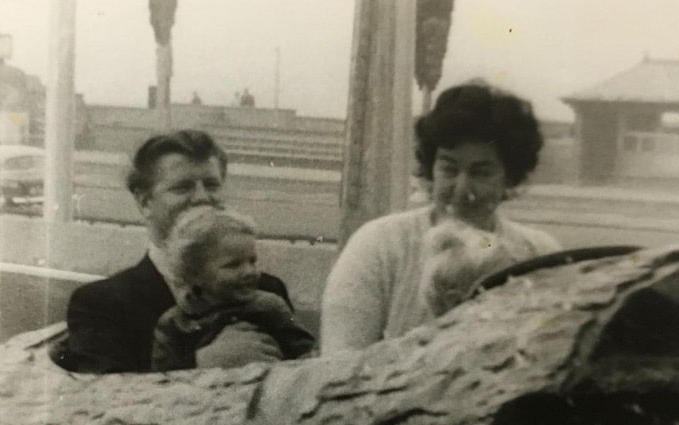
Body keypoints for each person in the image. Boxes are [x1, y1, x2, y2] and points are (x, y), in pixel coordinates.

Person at [321, 81, 561, 354]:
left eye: (481, 173)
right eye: (449, 169)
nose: (461, 190)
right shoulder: (379, 246)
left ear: (509, 178)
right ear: (431, 169)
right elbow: (339, 363)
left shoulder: (538, 254)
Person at [60, 130, 293, 373]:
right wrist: (199, 365)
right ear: (145, 203)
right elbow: (105, 392)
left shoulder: (268, 289)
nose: (202, 198)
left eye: (212, 185)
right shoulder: (101, 304)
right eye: (183, 187)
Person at [151, 206, 314, 371]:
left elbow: (308, 355)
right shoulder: (176, 323)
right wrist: (200, 361)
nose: (249, 272)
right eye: (233, 265)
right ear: (194, 274)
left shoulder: (269, 307)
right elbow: (161, 375)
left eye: (252, 261)